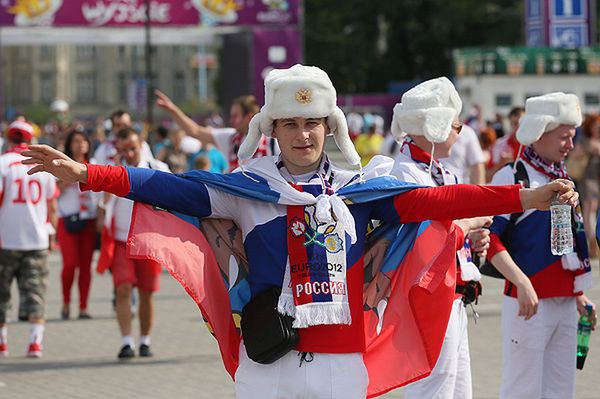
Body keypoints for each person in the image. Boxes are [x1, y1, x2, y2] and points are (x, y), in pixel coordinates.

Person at [23, 65, 578, 398]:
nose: (303, 134)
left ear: (329, 127)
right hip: (270, 358)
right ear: (273, 129)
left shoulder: (361, 193)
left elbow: (440, 199)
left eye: (312, 122)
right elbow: (165, 186)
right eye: (290, 123)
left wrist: (523, 197)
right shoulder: (245, 190)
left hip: (341, 361)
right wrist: (87, 174)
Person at [487, 92, 596, 399]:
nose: (571, 145)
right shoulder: (512, 176)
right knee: (522, 390)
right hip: (527, 303)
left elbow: (567, 245)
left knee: (561, 391)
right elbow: (489, 239)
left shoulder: (562, 176)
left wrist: (578, 293)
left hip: (564, 302)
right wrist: (520, 282)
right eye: (564, 137)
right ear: (539, 133)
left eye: (572, 137)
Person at [390, 77, 490, 398]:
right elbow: (426, 238)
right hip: (427, 297)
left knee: (458, 390)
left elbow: (450, 232)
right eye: (455, 125)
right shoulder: (407, 173)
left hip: (453, 296)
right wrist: (468, 225)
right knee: (432, 389)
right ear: (434, 126)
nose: (459, 133)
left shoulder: (441, 171)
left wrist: (471, 242)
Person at [97, 127, 170, 359]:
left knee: (147, 293)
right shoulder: (113, 171)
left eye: (133, 148)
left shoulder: (157, 169)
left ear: (141, 145)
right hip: (121, 240)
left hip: (148, 241)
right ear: (118, 149)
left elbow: (172, 199)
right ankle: (127, 342)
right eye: (125, 149)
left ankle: (145, 341)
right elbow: (102, 210)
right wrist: (108, 192)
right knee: (123, 288)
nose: (129, 153)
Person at [0, 120, 58, 358]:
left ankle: (2, 342)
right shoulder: (42, 166)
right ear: (30, 140)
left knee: (2, 292)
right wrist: (52, 234)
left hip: (5, 239)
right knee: (36, 291)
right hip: (36, 239)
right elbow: (51, 204)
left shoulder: (2, 163)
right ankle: (35, 342)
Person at [155, 90, 276, 171]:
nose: (231, 120)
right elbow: (195, 131)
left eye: (235, 116)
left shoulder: (272, 141)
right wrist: (173, 110)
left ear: (249, 117)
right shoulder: (230, 138)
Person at [57, 130, 98, 320]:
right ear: (69, 145)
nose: (80, 145)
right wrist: (69, 177)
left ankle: (83, 307)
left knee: (85, 266)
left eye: (83, 141)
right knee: (70, 264)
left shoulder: (95, 164)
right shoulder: (61, 164)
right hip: (67, 219)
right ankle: (66, 303)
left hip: (88, 220)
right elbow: (54, 190)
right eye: (76, 141)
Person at [487, 106, 525, 181]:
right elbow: (487, 177)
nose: (518, 127)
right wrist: (500, 164)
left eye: (521, 123)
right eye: (514, 124)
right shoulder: (499, 145)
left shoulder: (534, 145)